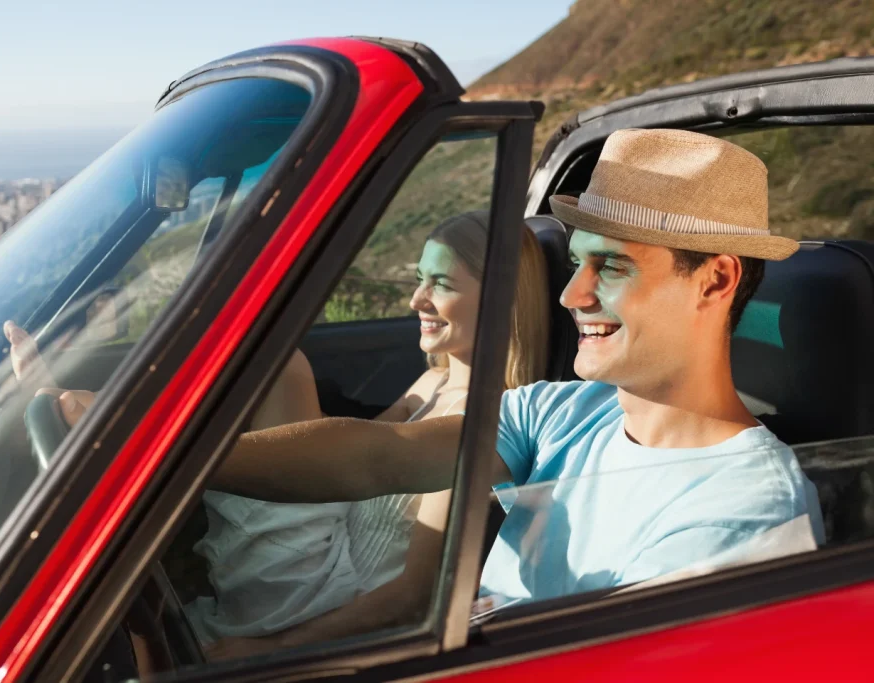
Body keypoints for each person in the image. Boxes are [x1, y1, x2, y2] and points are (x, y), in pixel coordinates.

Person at [205, 128, 825, 610]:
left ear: (714, 280)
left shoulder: (746, 516)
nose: (570, 296)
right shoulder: (561, 411)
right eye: (576, 265)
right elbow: (378, 455)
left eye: (609, 266)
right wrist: (164, 464)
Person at [4, 210, 552, 644]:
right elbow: (345, 442)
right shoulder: (433, 381)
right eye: (417, 280)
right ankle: (106, 423)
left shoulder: (482, 422)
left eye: (440, 284)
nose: (416, 300)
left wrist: (269, 653)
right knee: (274, 366)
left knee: (281, 365)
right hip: (328, 532)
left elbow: (411, 596)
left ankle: (107, 426)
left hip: (328, 587)